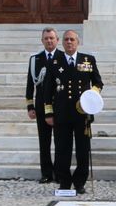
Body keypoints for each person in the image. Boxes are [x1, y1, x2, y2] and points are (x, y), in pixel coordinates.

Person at [42, 29, 102, 194]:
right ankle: (64, 181)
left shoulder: (88, 60)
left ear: (78, 42)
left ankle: (80, 181)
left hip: (82, 114)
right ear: (62, 42)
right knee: (62, 149)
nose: (69, 42)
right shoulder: (54, 61)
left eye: (72, 40)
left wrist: (92, 95)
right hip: (62, 113)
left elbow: (98, 83)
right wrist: (48, 113)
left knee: (83, 149)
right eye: (66, 40)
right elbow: (48, 89)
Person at [25, 28, 59, 183]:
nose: (49, 41)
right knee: (44, 141)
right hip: (40, 106)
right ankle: (46, 173)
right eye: (46, 38)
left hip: (59, 106)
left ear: (57, 40)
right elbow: (30, 85)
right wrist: (30, 106)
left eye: (52, 38)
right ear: (42, 41)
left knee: (60, 142)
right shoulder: (35, 60)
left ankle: (59, 172)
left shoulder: (63, 57)